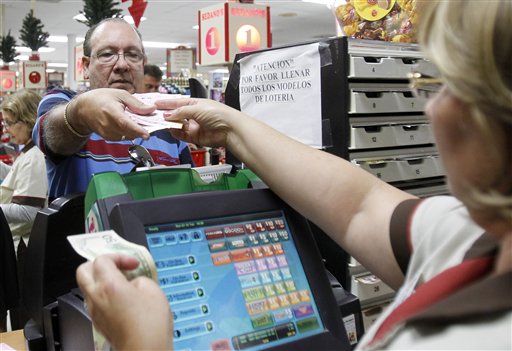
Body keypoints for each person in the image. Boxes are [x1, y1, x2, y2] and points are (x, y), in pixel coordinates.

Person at [76, 1, 512, 350]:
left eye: (447, 83)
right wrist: (229, 125)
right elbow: (359, 204)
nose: (432, 108)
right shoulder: (469, 240)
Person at [33, 18, 193, 200]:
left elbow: (190, 194)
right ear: (86, 66)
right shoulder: (62, 102)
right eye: (107, 54)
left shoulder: (169, 123)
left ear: (143, 64)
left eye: (133, 55)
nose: (122, 65)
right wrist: (80, 113)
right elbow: (52, 134)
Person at [1, 89, 47, 254]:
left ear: (28, 122)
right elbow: (18, 176)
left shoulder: (35, 157)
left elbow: (29, 212)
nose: (6, 129)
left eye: (9, 123)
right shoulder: (29, 151)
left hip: (21, 249)